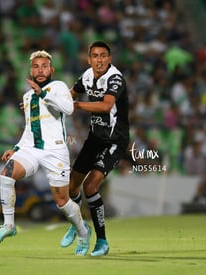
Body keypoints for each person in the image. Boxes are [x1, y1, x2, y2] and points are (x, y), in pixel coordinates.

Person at [0, 50, 91, 256]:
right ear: (31, 70)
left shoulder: (59, 87)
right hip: (32, 149)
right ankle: (9, 225)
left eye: (44, 66)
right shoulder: (27, 96)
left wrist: (42, 93)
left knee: (62, 202)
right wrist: (16, 148)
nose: (40, 70)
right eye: (36, 66)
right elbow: (30, 128)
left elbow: (68, 108)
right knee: (6, 176)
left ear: (51, 69)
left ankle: (83, 231)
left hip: (55, 150)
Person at [60, 41, 130, 257]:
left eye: (103, 56)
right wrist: (41, 102)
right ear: (89, 59)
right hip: (95, 138)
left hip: (114, 141)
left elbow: (106, 105)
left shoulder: (115, 78)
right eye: (95, 56)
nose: (99, 60)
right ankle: (80, 226)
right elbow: (69, 95)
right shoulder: (87, 76)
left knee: (90, 186)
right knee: (71, 188)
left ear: (109, 58)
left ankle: (102, 241)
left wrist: (77, 106)